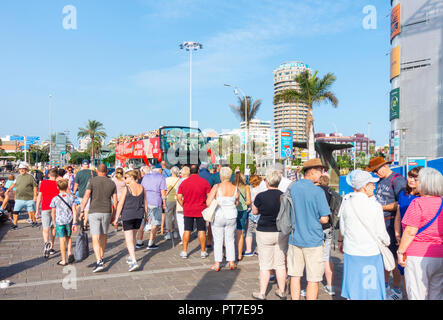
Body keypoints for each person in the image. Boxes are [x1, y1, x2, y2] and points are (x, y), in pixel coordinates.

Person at [338, 170, 390, 300]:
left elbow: (343, 230)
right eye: (372, 184)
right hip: (371, 252)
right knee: (371, 290)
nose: (374, 186)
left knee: (354, 287)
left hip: (351, 250)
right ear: (365, 186)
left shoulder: (346, 202)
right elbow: (381, 233)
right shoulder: (375, 205)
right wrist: (387, 242)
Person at [287, 158, 330, 300]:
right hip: (313, 239)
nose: (321, 174)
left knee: (295, 275)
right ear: (311, 172)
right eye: (320, 171)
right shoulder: (318, 191)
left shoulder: (293, 187)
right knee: (313, 278)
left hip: (294, 237)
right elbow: (325, 218)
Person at [398, 167, 443, 300]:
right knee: (437, 295)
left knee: (417, 294)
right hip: (439, 255)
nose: (416, 183)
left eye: (419, 180)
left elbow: (410, 231)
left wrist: (400, 252)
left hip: (418, 256)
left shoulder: (417, 203)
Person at [366, 157, 407, 300]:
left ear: (383, 167)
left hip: (391, 222)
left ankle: (396, 289)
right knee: (383, 257)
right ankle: (384, 286)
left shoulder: (398, 180)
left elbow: (400, 204)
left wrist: (380, 207)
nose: (375, 174)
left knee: (394, 258)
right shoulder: (382, 180)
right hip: (381, 222)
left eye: (376, 171)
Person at [251, 168, 287, 300]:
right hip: (280, 231)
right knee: (280, 264)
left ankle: (262, 293)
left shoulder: (260, 196)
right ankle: (282, 291)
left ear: (267, 182)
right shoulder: (284, 196)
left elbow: (255, 212)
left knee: (265, 264)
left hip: (264, 231)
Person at [79, 164, 117, 273]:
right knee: (104, 235)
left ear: (97, 171)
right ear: (107, 171)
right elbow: (115, 201)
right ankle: (102, 255)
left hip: (94, 211)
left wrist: (82, 211)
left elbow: (86, 196)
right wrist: (114, 215)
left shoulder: (92, 181)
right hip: (106, 211)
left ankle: (99, 260)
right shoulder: (111, 182)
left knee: (95, 236)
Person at [394, 166, 423, 299]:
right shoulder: (403, 194)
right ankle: (407, 295)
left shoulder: (423, 196)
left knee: (418, 274)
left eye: (415, 178)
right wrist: (397, 234)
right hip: (404, 238)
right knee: (404, 271)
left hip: (418, 239)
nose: (411, 180)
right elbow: (398, 216)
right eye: (410, 176)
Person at [113, 170, 148, 272]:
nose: (125, 179)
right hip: (139, 215)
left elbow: (120, 204)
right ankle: (130, 256)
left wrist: (116, 217)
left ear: (132, 177)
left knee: (128, 239)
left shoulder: (126, 189)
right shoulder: (142, 188)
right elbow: (145, 203)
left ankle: (134, 261)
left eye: (126, 177)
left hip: (128, 215)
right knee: (133, 236)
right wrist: (146, 215)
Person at [206, 166, 239, 271]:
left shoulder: (216, 187)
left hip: (219, 214)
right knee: (230, 239)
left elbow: (208, 202)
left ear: (221, 175)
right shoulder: (235, 188)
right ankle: (231, 262)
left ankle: (217, 263)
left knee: (218, 239)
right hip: (232, 215)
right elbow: (236, 202)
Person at [177, 164, 211, 259]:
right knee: (201, 230)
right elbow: (209, 196)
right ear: (198, 171)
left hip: (188, 209)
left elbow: (179, 197)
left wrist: (183, 205)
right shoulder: (204, 182)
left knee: (187, 230)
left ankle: (184, 251)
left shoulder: (184, 183)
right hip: (201, 209)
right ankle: (203, 251)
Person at [314, 174, 336, 296]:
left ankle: (313, 284)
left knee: (314, 257)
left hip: (318, 227)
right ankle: (330, 285)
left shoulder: (316, 191)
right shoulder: (330, 191)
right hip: (329, 227)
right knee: (327, 257)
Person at [50, 179, 78, 266]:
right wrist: (74, 222)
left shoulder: (55, 199)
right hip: (69, 220)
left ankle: (63, 260)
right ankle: (69, 253)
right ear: (67, 187)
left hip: (59, 221)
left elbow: (53, 212)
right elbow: (74, 210)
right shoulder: (71, 197)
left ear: (57, 187)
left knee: (61, 240)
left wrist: (54, 222)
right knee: (68, 238)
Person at [5, 163, 38, 229]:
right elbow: (13, 184)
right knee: (15, 212)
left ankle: (34, 222)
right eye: (20, 169)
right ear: (19, 170)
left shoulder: (30, 176)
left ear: (26, 169)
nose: (22, 170)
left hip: (29, 198)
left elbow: (35, 187)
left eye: (23, 169)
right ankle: (15, 224)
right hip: (19, 198)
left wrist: (35, 196)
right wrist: (8, 189)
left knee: (32, 211)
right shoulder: (18, 177)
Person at [141, 166, 167, 250]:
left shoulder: (146, 176)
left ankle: (139, 242)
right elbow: (163, 192)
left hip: (145, 201)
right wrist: (164, 203)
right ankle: (150, 242)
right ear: (160, 171)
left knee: (144, 221)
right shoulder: (161, 177)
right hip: (156, 201)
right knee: (155, 223)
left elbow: (142, 189)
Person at [36, 168, 59, 258]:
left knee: (45, 228)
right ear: (57, 175)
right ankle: (51, 246)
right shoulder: (58, 184)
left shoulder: (43, 183)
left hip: (45, 207)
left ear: (48, 175)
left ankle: (46, 243)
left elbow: (39, 196)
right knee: (53, 227)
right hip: (55, 209)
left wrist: (37, 209)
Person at [73, 160, 97, 230]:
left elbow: (76, 185)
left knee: (82, 208)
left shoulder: (79, 173)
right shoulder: (93, 173)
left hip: (81, 194)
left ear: (82, 165)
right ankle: (84, 224)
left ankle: (81, 221)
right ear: (88, 165)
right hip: (90, 193)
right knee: (87, 210)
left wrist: (74, 193)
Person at [234, 172, 251, 261]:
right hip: (242, 211)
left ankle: (226, 253)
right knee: (240, 233)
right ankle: (239, 255)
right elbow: (249, 201)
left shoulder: (231, 186)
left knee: (229, 232)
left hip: (231, 210)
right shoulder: (246, 187)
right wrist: (243, 203)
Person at [244, 174, 262, 257]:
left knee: (249, 231)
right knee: (259, 231)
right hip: (261, 213)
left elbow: (248, 202)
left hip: (251, 213)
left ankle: (248, 250)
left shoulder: (250, 190)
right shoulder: (262, 190)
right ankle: (259, 250)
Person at [135, 166, 151, 248]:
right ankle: (139, 241)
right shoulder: (151, 179)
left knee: (139, 224)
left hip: (139, 203)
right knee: (142, 223)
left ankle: (137, 241)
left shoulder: (140, 180)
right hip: (148, 202)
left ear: (143, 172)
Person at [164, 166, 180, 240]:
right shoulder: (179, 180)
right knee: (177, 216)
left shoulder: (166, 179)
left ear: (171, 172)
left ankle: (169, 232)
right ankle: (176, 232)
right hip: (177, 199)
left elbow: (164, 190)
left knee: (168, 216)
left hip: (169, 199)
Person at [175, 166, 190, 242]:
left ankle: (183, 237)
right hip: (189, 202)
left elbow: (178, 194)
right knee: (188, 221)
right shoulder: (191, 181)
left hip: (181, 202)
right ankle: (187, 235)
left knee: (181, 221)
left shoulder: (180, 181)